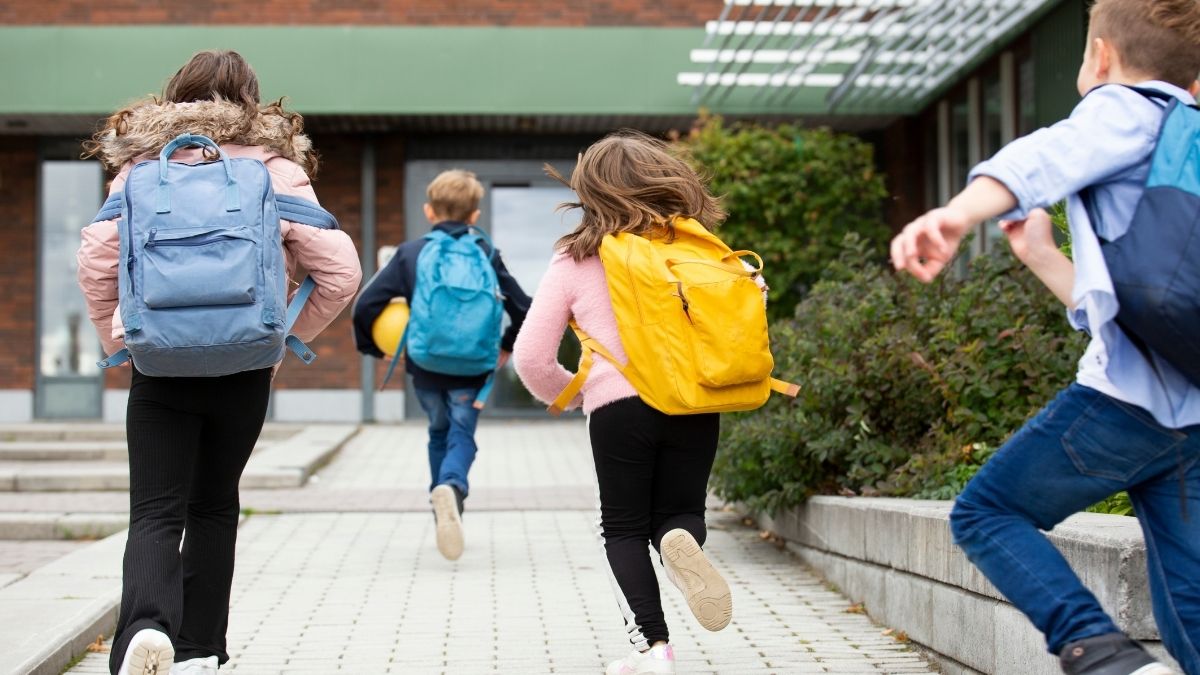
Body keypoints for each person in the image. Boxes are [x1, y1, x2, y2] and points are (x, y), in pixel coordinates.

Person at [890, 2, 1200, 673]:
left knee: (985, 512)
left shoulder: (1123, 106)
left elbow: (1045, 154)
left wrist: (957, 213)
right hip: (1191, 421)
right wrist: (1041, 256)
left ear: (1098, 56)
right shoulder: (1188, 134)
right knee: (1189, 607)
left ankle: (1103, 654)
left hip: (1122, 406)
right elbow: (1146, 303)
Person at [78, 50, 362, 675]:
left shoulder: (140, 167)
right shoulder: (276, 167)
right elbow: (341, 273)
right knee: (214, 504)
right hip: (245, 368)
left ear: (175, 95)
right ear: (251, 102)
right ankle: (200, 650)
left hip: (158, 368)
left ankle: (144, 632)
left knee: (155, 509)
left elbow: (96, 262)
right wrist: (282, 339)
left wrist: (121, 341)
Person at [513, 131, 739, 675]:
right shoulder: (700, 248)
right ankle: (681, 541)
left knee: (622, 526)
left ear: (592, 191)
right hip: (694, 402)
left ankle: (654, 648)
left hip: (619, 407)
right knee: (681, 513)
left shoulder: (577, 257)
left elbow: (531, 357)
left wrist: (570, 394)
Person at [352, 169, 530, 561]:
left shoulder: (411, 253)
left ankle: (442, 506)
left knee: (437, 431)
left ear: (429, 211)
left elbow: (365, 305)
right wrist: (506, 345)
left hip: (426, 365)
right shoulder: (485, 253)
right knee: (461, 433)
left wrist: (371, 348)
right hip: (473, 367)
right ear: (474, 216)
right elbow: (524, 307)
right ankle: (452, 487)